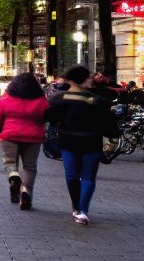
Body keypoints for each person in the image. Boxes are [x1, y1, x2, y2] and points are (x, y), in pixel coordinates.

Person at [44, 65, 116, 226]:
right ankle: (83, 210)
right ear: (81, 80)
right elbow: (108, 122)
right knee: (88, 176)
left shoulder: (60, 99)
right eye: (89, 77)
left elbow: (50, 118)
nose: (92, 79)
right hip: (92, 142)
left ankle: (76, 207)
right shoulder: (96, 100)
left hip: (68, 142)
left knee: (71, 175)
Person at [0, 72, 48, 210]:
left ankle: (14, 176)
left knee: (10, 162)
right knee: (30, 167)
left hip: (9, 136)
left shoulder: (4, 100)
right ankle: (25, 193)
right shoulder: (42, 101)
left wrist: (1, 131)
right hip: (33, 138)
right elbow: (45, 118)